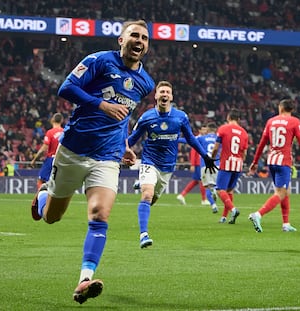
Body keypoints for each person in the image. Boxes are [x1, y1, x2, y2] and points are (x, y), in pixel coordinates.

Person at [30, 20, 155, 304]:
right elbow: (66, 88)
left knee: (99, 215)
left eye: (144, 38)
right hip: (74, 150)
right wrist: (101, 104)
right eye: (134, 35)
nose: (139, 40)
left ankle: (84, 280)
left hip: (107, 157)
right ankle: (42, 197)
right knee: (51, 217)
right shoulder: (98, 61)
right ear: (121, 40)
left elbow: (124, 115)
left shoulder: (145, 82)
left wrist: (124, 146)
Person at [127, 81, 217, 249]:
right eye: (162, 91)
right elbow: (132, 139)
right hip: (149, 162)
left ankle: (144, 184)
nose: (165, 94)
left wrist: (205, 156)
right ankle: (143, 235)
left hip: (168, 167)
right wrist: (121, 150)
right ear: (156, 96)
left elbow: (190, 138)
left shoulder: (180, 117)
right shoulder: (146, 117)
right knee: (147, 195)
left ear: (171, 97)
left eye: (168, 92)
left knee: (151, 199)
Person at [248, 99, 300, 233]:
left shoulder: (271, 121)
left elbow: (262, 143)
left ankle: (286, 224)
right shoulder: (295, 121)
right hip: (284, 161)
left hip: (272, 160)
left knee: (285, 191)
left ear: (280, 108)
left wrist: (255, 162)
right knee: (281, 192)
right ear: (292, 109)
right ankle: (258, 214)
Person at [211, 108, 248, 224]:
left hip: (226, 163)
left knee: (220, 190)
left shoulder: (223, 129)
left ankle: (233, 210)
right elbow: (245, 153)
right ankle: (224, 217)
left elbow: (216, 147)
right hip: (238, 164)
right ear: (239, 119)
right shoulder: (244, 133)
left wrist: (212, 159)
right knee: (229, 191)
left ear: (228, 117)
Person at [176, 126, 209, 206]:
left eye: (206, 129)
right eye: (203, 129)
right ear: (199, 130)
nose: (205, 131)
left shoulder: (205, 138)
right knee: (202, 181)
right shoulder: (198, 138)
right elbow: (194, 151)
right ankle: (204, 199)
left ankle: (182, 195)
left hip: (202, 163)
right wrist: (193, 164)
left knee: (195, 181)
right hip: (198, 163)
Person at [30, 113, 64, 189]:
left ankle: (42, 199)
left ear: (52, 120)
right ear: (61, 121)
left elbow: (44, 148)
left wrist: (34, 159)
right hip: (62, 160)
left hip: (51, 159)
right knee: (57, 182)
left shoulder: (50, 132)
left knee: (41, 181)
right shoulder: (65, 132)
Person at [197, 122, 220, 213]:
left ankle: (213, 205)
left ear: (208, 129)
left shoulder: (202, 138)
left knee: (207, 187)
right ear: (215, 130)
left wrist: (175, 139)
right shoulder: (218, 138)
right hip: (217, 164)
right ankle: (215, 192)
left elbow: (187, 140)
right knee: (216, 185)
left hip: (205, 165)